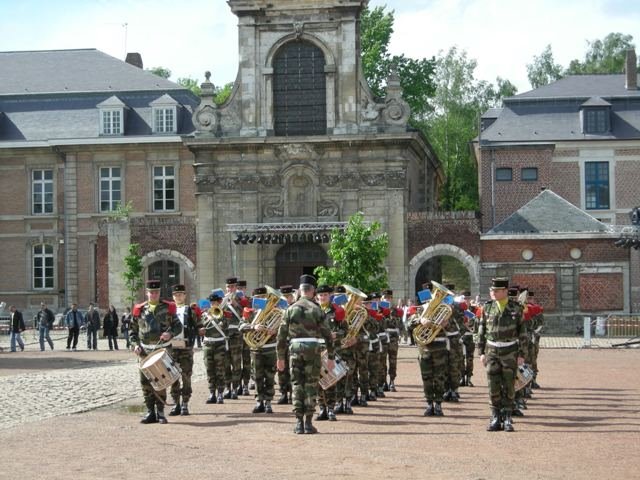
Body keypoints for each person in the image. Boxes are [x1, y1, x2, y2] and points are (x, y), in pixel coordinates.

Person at [277, 274, 335, 434]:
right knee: (311, 385)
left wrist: (280, 357)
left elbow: (281, 336)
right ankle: (308, 422)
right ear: (312, 291)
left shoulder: (290, 309)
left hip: (295, 349)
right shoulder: (317, 309)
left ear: (300, 290)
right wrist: (331, 357)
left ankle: (298, 422)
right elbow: (328, 335)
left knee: (297, 384)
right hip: (313, 350)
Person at [476, 278, 527, 432]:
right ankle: (495, 416)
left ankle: (508, 417)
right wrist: (481, 352)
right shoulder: (487, 308)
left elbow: (523, 332)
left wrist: (522, 354)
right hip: (492, 350)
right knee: (493, 383)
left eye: (496, 290)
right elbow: (481, 331)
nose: (493, 293)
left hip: (510, 350)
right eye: (492, 290)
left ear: (505, 291)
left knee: (509, 384)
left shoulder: (516, 308)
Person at [130, 280, 182, 424]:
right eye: (151, 292)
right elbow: (132, 332)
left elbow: (178, 327)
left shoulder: (168, 308)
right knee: (145, 382)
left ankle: (160, 412)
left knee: (160, 380)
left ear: (159, 293)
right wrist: (135, 345)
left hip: (162, 349)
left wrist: (170, 334)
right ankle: (150, 412)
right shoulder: (139, 309)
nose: (153, 294)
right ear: (146, 293)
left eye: (156, 292)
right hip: (144, 352)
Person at [239, 286, 279, 414]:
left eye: (263, 297)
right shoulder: (249, 312)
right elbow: (241, 326)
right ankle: (259, 401)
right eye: (258, 298)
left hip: (270, 348)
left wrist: (274, 330)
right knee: (257, 376)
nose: (260, 299)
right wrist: (253, 326)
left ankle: (268, 402)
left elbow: (283, 327)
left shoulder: (273, 312)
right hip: (256, 349)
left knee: (270, 376)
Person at [168, 284, 202, 416]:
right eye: (176, 295)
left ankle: (185, 403)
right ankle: (176, 403)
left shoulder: (190, 310)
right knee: (173, 377)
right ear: (173, 296)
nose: (178, 297)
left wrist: (200, 329)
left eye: (181, 294)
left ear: (185, 296)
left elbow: (198, 324)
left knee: (186, 376)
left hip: (186, 347)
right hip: (172, 347)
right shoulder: (168, 310)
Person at [202, 291, 230, 405]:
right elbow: (201, 326)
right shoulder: (204, 314)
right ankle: (212, 392)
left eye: (215, 302)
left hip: (219, 344)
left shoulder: (224, 313)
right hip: (208, 344)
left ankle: (220, 393)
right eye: (212, 302)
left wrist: (221, 316)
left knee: (220, 369)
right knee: (209, 370)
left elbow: (226, 326)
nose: (213, 304)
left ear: (219, 302)